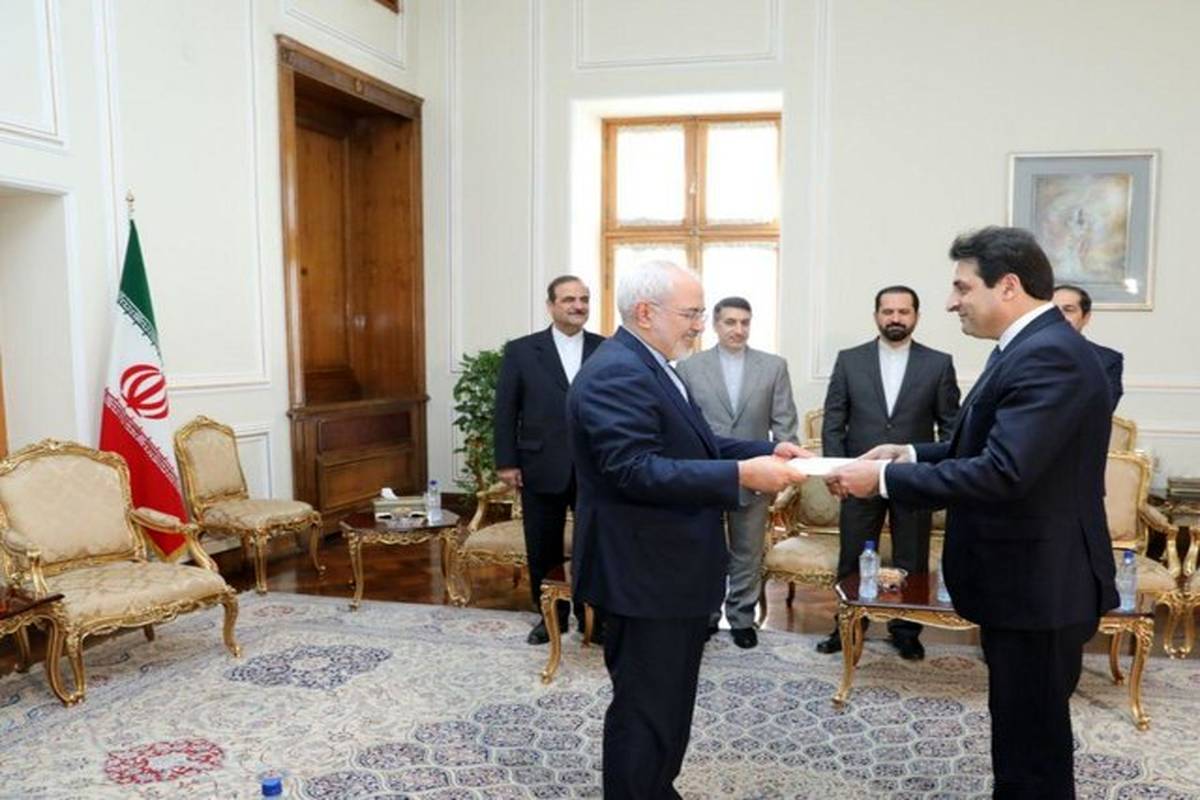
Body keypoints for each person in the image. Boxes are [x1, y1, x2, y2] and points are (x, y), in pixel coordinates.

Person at [827, 226, 1118, 798]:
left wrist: (881, 480)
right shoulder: (1028, 347)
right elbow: (984, 446)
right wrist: (908, 454)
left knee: (1032, 748)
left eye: (962, 287)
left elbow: (1002, 472)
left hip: (1041, 585)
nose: (951, 301)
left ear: (1007, 286)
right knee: (1021, 730)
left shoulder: (1049, 357)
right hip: (1027, 581)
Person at [568, 261, 809, 798]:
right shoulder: (617, 373)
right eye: (692, 313)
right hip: (643, 573)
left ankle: (657, 787)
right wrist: (741, 474)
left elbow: (696, 444)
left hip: (668, 570)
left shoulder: (651, 363)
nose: (700, 326)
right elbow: (635, 470)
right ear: (646, 312)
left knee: (668, 701)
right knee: (645, 708)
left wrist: (766, 450)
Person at [816, 286, 961, 660]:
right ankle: (848, 627)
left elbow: (951, 427)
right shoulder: (850, 360)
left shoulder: (938, 363)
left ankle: (906, 630)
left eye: (903, 311)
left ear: (916, 316)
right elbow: (834, 421)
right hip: (859, 477)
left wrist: (940, 476)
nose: (895, 318)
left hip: (913, 479)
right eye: (888, 311)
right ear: (876, 315)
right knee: (852, 554)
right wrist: (836, 470)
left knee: (911, 556)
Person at [675, 296, 799, 649]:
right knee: (707, 550)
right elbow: (681, 427)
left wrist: (784, 472)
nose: (738, 329)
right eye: (730, 322)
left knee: (748, 550)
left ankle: (743, 618)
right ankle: (706, 615)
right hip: (706, 476)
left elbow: (785, 425)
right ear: (716, 325)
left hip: (757, 475)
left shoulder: (773, 366)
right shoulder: (689, 367)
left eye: (745, 322)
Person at [493, 275, 604, 645]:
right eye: (569, 299)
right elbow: (506, 410)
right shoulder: (522, 351)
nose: (578, 306)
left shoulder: (606, 349)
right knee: (542, 545)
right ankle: (549, 619)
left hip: (594, 468)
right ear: (551, 305)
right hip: (539, 465)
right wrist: (507, 462)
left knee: (594, 545)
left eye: (584, 299)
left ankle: (592, 618)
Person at [1053, 283, 1124, 412]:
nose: (1059, 316)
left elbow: (1100, 410)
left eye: (1068, 310)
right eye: (1053, 310)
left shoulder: (1107, 360)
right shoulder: (1021, 352)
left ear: (1085, 317)